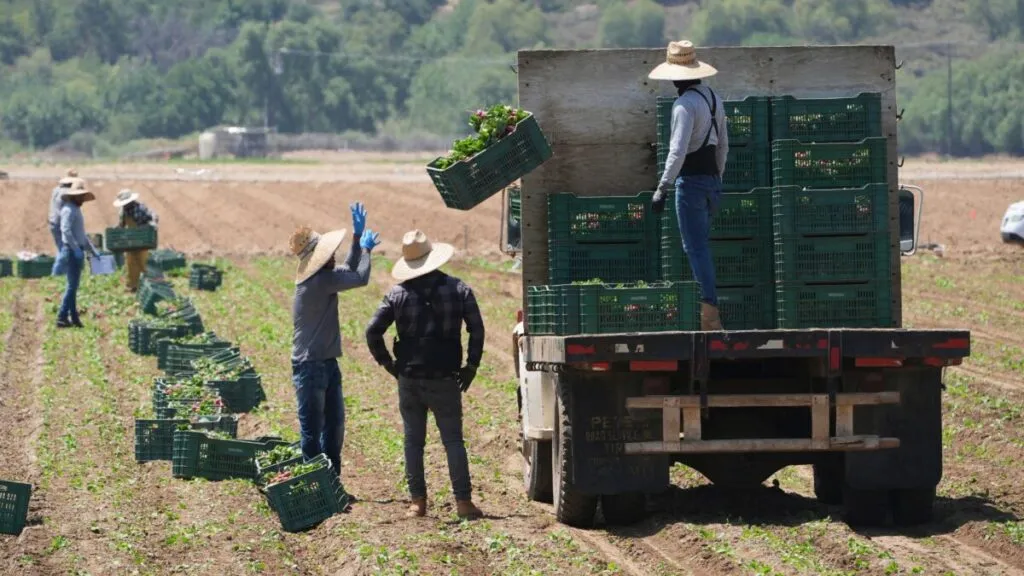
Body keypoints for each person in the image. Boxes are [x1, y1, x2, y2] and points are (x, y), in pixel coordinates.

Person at [365, 229, 485, 521]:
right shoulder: (459, 289)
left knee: (413, 442)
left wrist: (389, 364)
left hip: (409, 377)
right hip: (446, 377)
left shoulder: (397, 294)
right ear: (432, 256)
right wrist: (471, 366)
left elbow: (372, 331)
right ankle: (463, 502)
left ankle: (417, 503)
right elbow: (477, 329)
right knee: (453, 441)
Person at [289, 202, 380, 502]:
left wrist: (356, 240)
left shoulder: (321, 277)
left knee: (334, 428)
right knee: (313, 433)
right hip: (310, 367)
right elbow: (359, 276)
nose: (332, 257)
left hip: (326, 363)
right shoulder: (319, 282)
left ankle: (332, 486)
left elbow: (350, 270)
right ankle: (316, 492)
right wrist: (365, 250)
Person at [649, 40, 729, 331]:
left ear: (674, 76)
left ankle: (710, 315)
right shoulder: (713, 99)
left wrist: (662, 187)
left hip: (692, 183)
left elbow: (677, 150)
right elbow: (723, 145)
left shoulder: (683, 105)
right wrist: (717, 177)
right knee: (700, 246)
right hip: (711, 182)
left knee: (695, 248)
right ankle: (705, 308)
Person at [57, 180, 101, 328]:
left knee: (73, 286)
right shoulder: (68, 210)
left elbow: (81, 234)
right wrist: (75, 248)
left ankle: (74, 317)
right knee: (72, 286)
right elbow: (66, 231)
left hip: (77, 250)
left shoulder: (76, 209)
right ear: (73, 197)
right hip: (70, 251)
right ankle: (62, 316)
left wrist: (91, 250)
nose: (82, 199)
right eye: (80, 196)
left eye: (83, 196)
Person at [113, 189, 158, 292]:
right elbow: (122, 225)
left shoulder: (141, 208)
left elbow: (154, 216)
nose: (125, 205)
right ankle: (132, 286)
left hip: (142, 239)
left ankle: (147, 287)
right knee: (130, 263)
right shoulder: (123, 211)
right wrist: (117, 230)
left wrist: (150, 225)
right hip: (130, 240)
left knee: (142, 263)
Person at [48, 170, 80, 253]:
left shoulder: (56, 189)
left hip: (53, 221)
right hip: (61, 222)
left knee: (61, 247)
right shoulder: (68, 192)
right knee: (65, 249)